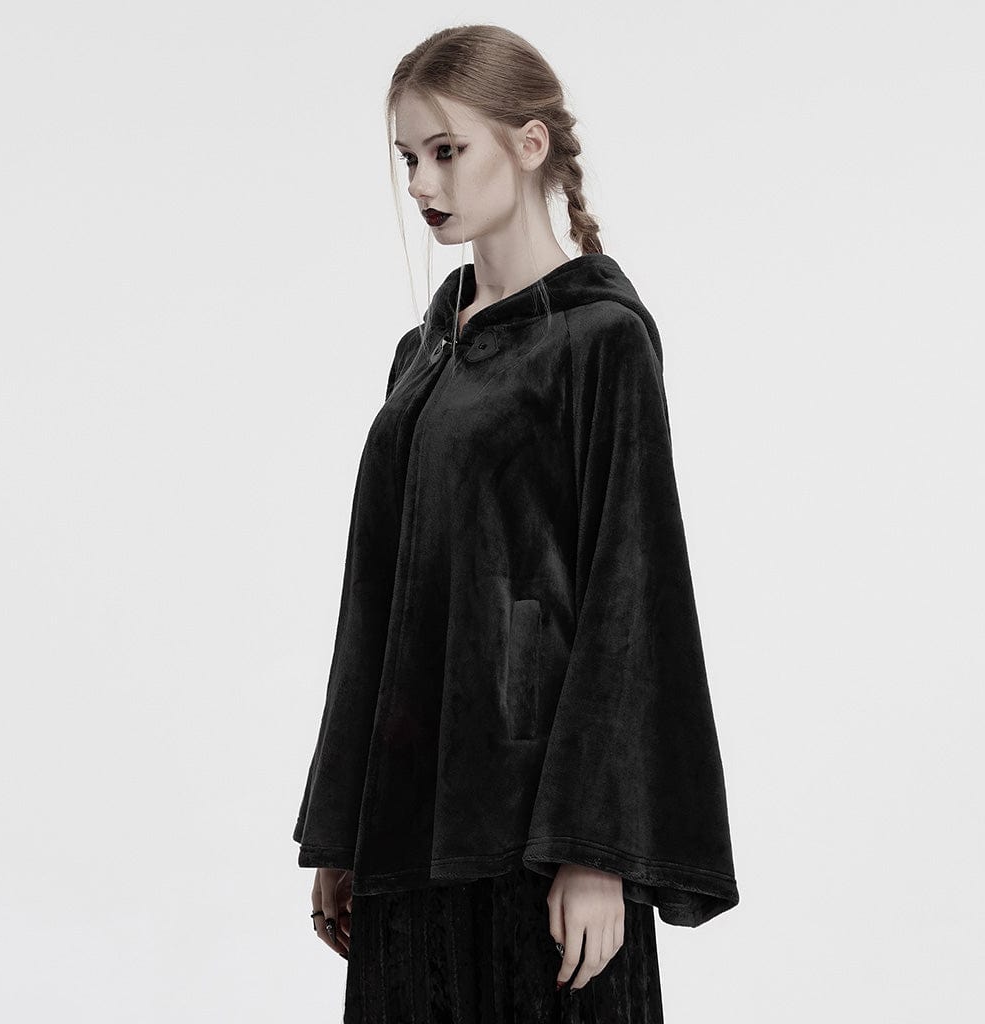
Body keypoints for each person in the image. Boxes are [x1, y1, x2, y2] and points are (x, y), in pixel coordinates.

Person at [294, 24, 740, 1023]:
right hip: (409, 825)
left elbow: (631, 597)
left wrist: (595, 852)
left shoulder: (601, 342)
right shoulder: (421, 354)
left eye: (446, 150)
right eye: (409, 158)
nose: (421, 182)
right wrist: (346, 830)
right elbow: (374, 601)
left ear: (529, 144)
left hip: (536, 839)